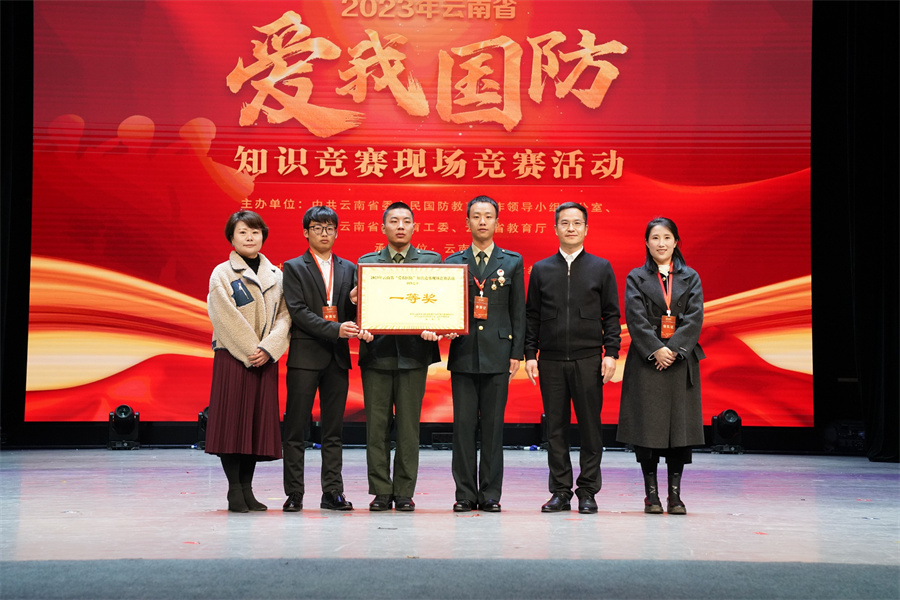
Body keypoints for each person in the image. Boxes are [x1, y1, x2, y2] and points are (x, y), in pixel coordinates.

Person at [524, 202, 622, 514]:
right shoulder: (541, 269)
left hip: (588, 359)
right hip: (551, 361)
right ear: (555, 228)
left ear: (586, 229)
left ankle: (588, 491)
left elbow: (611, 315)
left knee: (591, 428)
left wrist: (611, 353)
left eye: (577, 223)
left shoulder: (601, 267)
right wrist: (530, 354)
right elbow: (532, 316)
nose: (570, 228)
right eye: (564, 223)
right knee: (555, 429)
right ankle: (561, 491)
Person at [281, 206, 373, 513]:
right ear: (305, 232)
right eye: (317, 228)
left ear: (336, 232)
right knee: (296, 430)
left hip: (337, 359)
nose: (324, 233)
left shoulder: (349, 268)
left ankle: (332, 492)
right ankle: (295, 493)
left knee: (334, 431)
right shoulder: (294, 267)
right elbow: (298, 312)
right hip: (304, 357)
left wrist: (355, 305)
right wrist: (336, 329)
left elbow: (355, 311)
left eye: (330, 228)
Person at [357, 202, 443, 512]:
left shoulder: (431, 262)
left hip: (413, 355)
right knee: (376, 428)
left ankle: (404, 491)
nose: (400, 226)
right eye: (394, 221)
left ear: (414, 226)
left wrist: (437, 327)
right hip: (376, 354)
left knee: (408, 429)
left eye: (406, 221)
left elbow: (440, 303)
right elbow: (359, 306)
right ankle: (381, 491)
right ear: (383, 228)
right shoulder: (367, 263)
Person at [616, 217, 705, 515]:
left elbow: (694, 318)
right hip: (648, 362)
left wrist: (674, 350)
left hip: (680, 361)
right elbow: (635, 318)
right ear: (647, 243)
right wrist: (656, 349)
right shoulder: (636, 277)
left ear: (676, 242)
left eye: (667, 237)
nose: (661, 243)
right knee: (647, 431)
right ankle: (651, 496)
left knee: (679, 432)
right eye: (655, 238)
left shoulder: (691, 277)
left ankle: (675, 497)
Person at [205, 210, 291, 512]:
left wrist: (268, 349)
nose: (250, 237)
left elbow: (285, 317)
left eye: (255, 232)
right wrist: (251, 350)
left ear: (263, 236)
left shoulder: (277, 275)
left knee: (254, 427)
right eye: (242, 232)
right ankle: (234, 490)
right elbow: (223, 316)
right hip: (233, 358)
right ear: (232, 237)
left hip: (264, 359)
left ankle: (247, 490)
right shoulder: (222, 273)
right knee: (232, 427)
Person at [444, 196, 526, 512]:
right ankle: (465, 493)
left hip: (498, 353)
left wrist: (516, 352)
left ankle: (491, 494)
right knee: (463, 429)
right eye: (476, 216)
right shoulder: (453, 262)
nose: (482, 221)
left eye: (488, 216)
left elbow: (518, 311)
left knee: (493, 429)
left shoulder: (512, 261)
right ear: (467, 222)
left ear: (497, 222)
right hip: (464, 354)